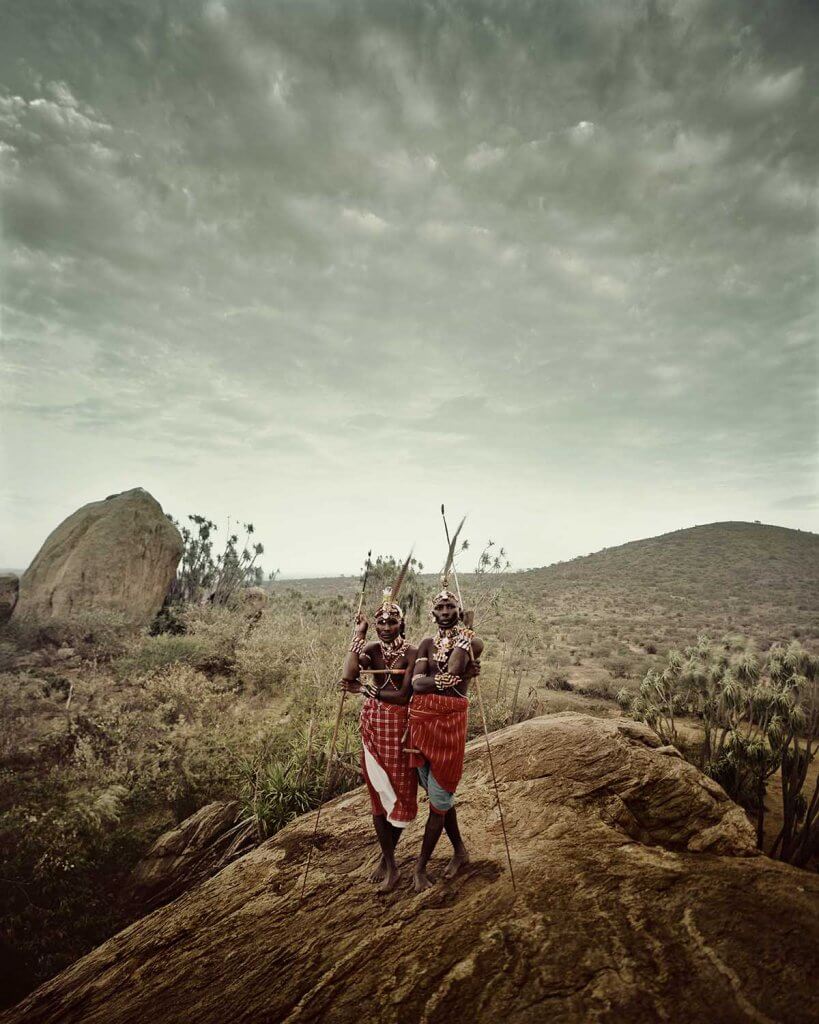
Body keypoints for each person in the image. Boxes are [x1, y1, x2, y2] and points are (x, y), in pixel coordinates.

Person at [340, 576, 418, 893]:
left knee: (399, 795)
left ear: (402, 623)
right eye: (380, 621)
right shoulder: (370, 649)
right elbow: (347, 677)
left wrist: (368, 691)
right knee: (376, 798)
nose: (385, 626)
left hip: (399, 729)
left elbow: (403, 696)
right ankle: (390, 863)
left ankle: (387, 858)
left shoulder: (412, 653)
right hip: (372, 728)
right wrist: (357, 636)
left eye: (392, 620)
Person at [406, 581, 483, 892]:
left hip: (450, 724)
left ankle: (420, 868)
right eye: (440, 607)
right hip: (422, 722)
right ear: (432, 612)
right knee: (441, 796)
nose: (446, 612)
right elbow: (417, 684)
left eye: (451, 607)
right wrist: (441, 680)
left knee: (440, 795)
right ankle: (460, 851)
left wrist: (465, 637)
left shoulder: (473, 643)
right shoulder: (425, 644)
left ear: (459, 611)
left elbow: (452, 670)